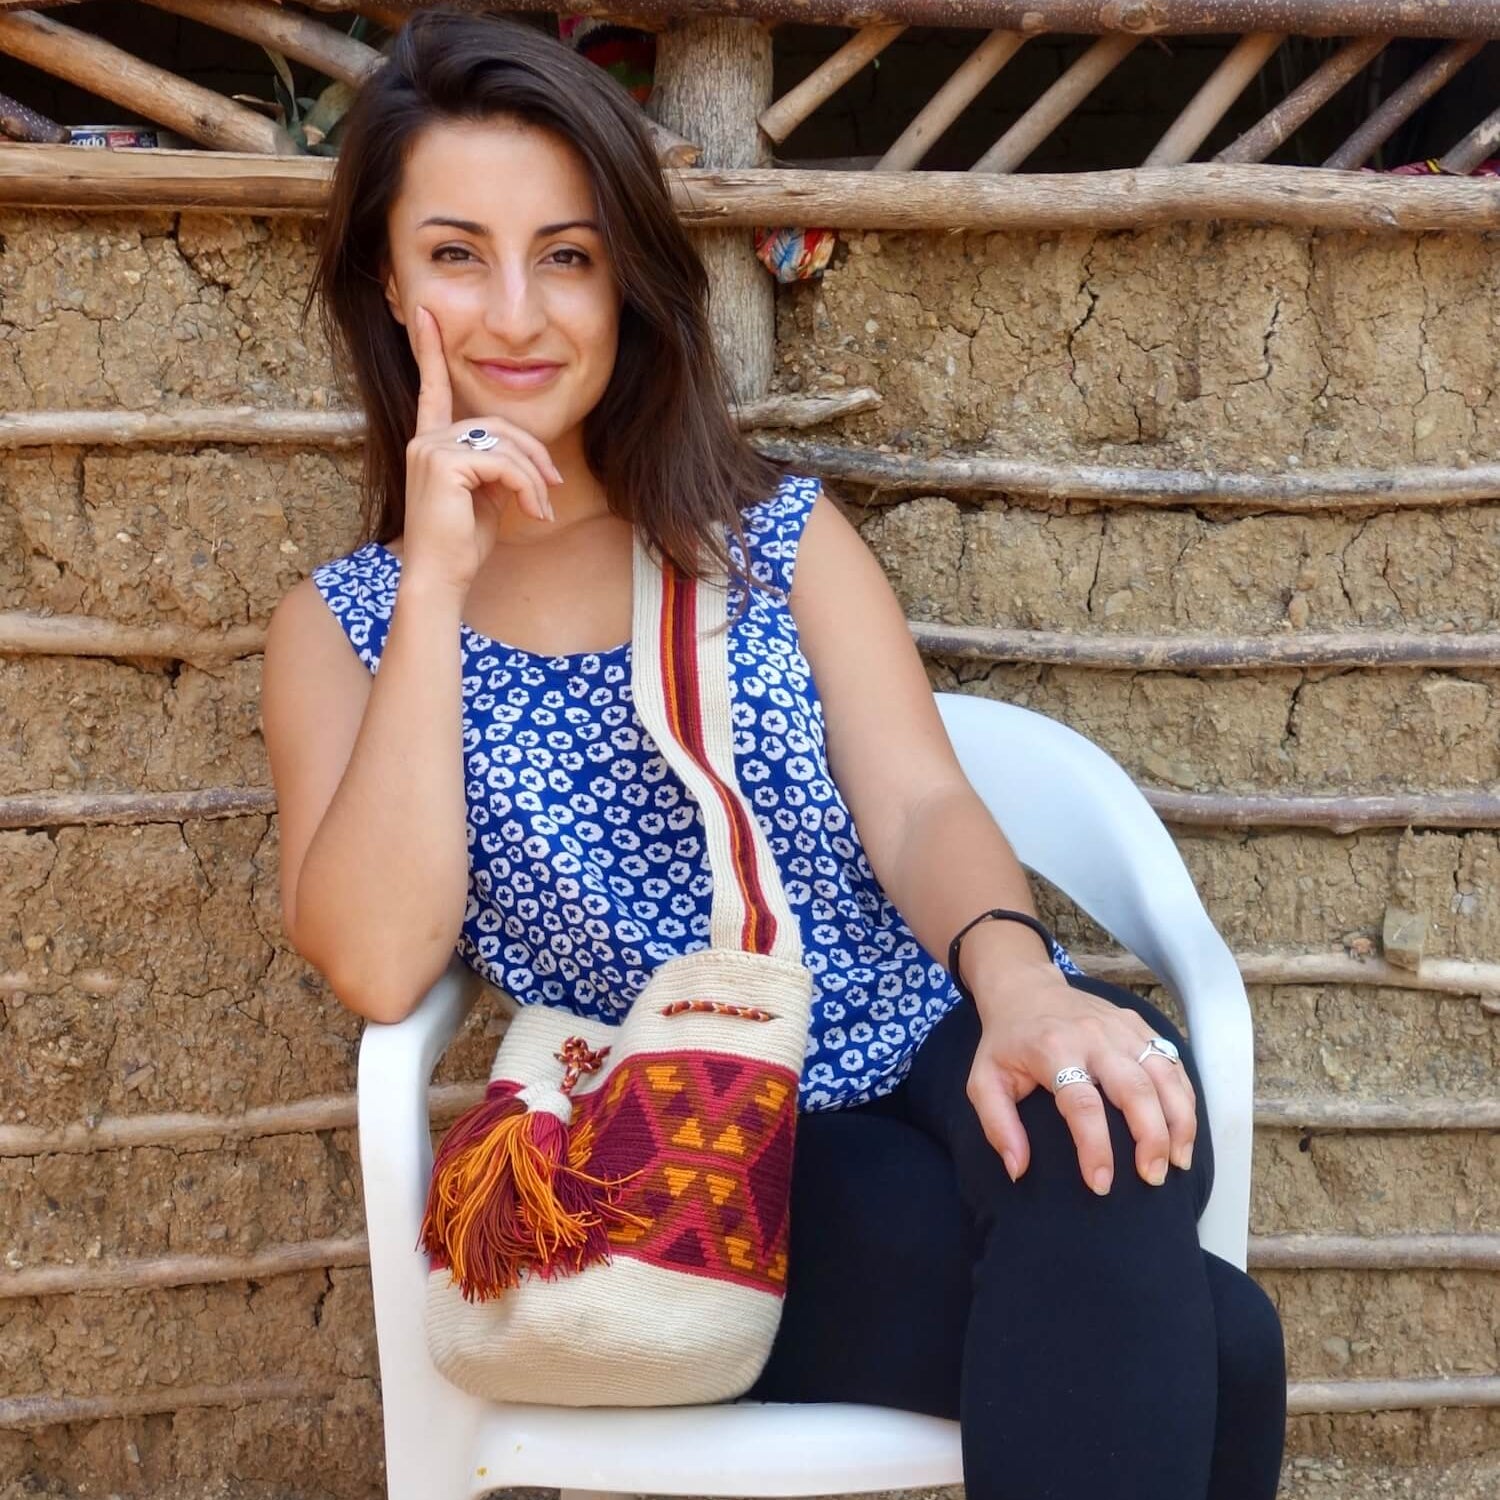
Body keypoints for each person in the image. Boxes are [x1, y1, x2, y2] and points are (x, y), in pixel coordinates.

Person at [260, 11, 1286, 1498]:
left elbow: (923, 800)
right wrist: (434, 583)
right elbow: (371, 956)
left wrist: (1021, 988)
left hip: (923, 1039)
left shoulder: (772, 537)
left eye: (567, 253)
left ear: (625, 282)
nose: (518, 312)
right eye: (456, 254)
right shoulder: (343, 628)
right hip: (689, 1142)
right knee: (1222, 1347)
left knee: (1103, 1113)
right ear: (385, 283)